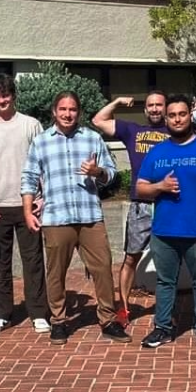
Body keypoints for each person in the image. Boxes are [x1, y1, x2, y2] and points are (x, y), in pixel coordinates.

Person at [21, 91, 131, 345]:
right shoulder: (41, 142)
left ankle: (107, 319)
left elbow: (112, 174)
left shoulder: (92, 139)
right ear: (54, 112)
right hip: (56, 217)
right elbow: (28, 177)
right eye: (63, 109)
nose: (67, 114)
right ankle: (58, 321)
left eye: (72, 109)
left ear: (78, 112)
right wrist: (28, 211)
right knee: (56, 272)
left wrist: (98, 171)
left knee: (103, 268)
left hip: (89, 215)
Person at [136, 94, 196, 350]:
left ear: (191, 116)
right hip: (164, 231)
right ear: (166, 118)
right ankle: (163, 328)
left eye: (182, 114)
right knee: (165, 282)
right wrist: (160, 186)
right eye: (172, 115)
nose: (177, 119)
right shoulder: (157, 152)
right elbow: (141, 188)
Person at [0, 73, 49, 335]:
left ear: (13, 95)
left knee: (33, 260)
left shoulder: (31, 125)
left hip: (27, 204)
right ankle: (2, 313)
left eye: (5, 95)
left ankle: (38, 313)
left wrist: (42, 195)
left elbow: (43, 164)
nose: (1, 100)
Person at [92, 92, 169, 324]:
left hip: (168, 203)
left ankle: (167, 311)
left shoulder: (176, 132)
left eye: (159, 105)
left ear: (166, 108)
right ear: (145, 110)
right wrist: (115, 102)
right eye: (151, 106)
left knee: (169, 260)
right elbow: (98, 120)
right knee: (130, 258)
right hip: (141, 205)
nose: (155, 109)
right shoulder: (133, 131)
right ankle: (124, 309)